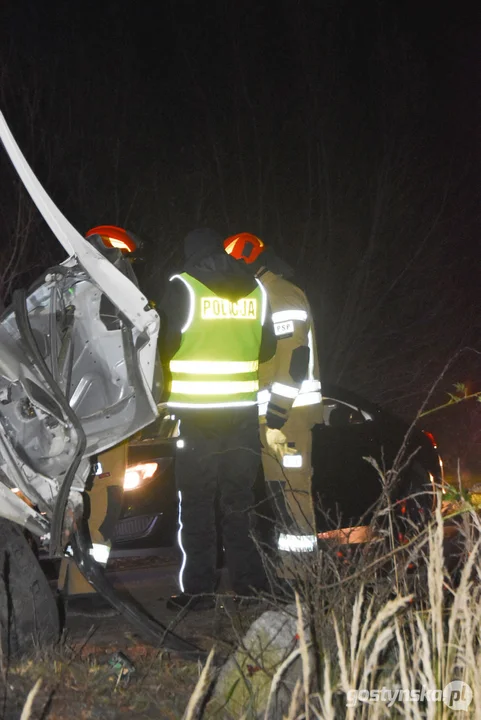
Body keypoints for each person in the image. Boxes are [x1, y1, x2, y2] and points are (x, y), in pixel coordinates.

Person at [157, 228, 278, 610]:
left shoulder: (184, 286)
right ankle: (249, 587)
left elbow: (163, 344)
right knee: (240, 503)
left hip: (197, 417)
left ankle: (200, 592)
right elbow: (268, 347)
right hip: (241, 414)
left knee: (196, 504)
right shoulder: (257, 290)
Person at [224, 233, 322, 573]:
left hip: (286, 416)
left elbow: (294, 360)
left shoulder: (278, 295)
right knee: (280, 494)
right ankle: (287, 574)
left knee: (292, 494)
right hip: (275, 416)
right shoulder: (263, 295)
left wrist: (277, 415)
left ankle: (300, 577)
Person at [58, 225, 137, 615]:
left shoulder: (79, 290)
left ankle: (77, 584)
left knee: (99, 500)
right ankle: (84, 590)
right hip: (97, 417)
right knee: (98, 502)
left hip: (110, 415)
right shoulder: (86, 293)